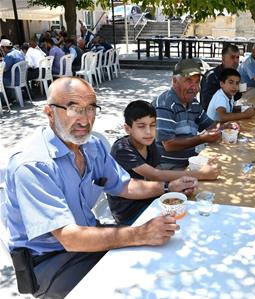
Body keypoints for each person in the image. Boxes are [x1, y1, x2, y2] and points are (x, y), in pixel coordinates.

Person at [5, 77, 198, 298]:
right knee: (139, 285)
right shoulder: (33, 166)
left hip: (89, 237)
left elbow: (125, 186)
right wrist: (140, 233)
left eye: (90, 109)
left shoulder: (91, 146)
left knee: (164, 261)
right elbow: (70, 238)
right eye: (74, 109)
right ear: (49, 112)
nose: (85, 120)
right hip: (51, 260)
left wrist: (167, 186)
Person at [108, 100, 220, 225]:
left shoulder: (149, 143)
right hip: (130, 213)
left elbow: (156, 176)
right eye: (141, 126)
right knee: (186, 222)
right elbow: (155, 174)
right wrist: (201, 174)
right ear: (127, 129)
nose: (148, 132)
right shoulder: (122, 149)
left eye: (152, 125)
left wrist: (179, 186)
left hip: (151, 199)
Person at [154, 59, 224, 170]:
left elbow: (210, 125)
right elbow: (169, 145)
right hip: (167, 167)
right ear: (174, 81)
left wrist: (225, 127)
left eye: (197, 81)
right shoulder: (165, 104)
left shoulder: (193, 103)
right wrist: (202, 138)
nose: (195, 87)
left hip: (189, 163)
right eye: (189, 80)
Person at [200, 44, 241, 110]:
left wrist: (238, 91)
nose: (236, 61)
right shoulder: (211, 76)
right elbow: (206, 104)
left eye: (237, 57)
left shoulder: (234, 75)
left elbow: (232, 100)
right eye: (232, 57)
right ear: (223, 59)